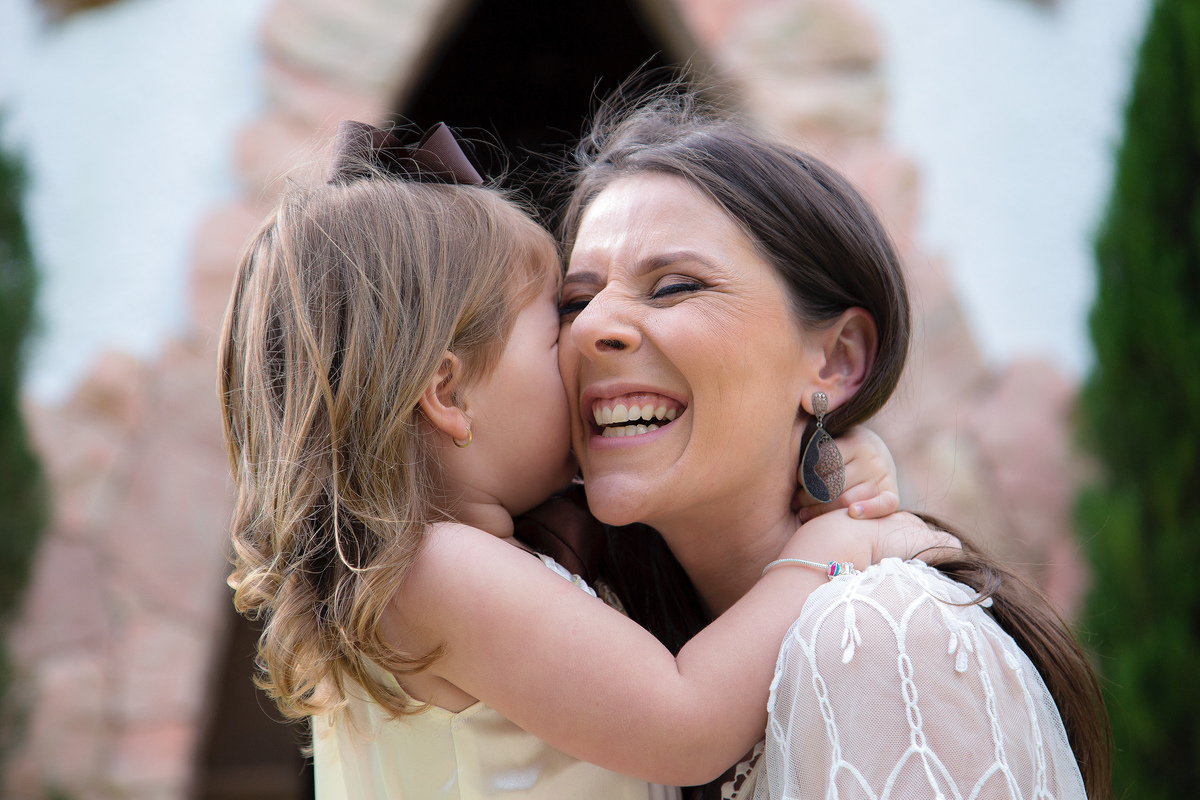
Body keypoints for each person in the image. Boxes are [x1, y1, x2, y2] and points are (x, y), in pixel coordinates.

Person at [217, 120, 939, 800]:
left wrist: (828, 453)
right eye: (561, 318)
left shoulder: (490, 556)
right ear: (449, 395)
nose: (588, 342)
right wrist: (838, 546)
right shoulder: (438, 569)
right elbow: (687, 723)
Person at [555, 87, 1110, 800]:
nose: (591, 328)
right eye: (575, 301)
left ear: (837, 360)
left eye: (673, 287)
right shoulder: (601, 643)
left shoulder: (883, 637)